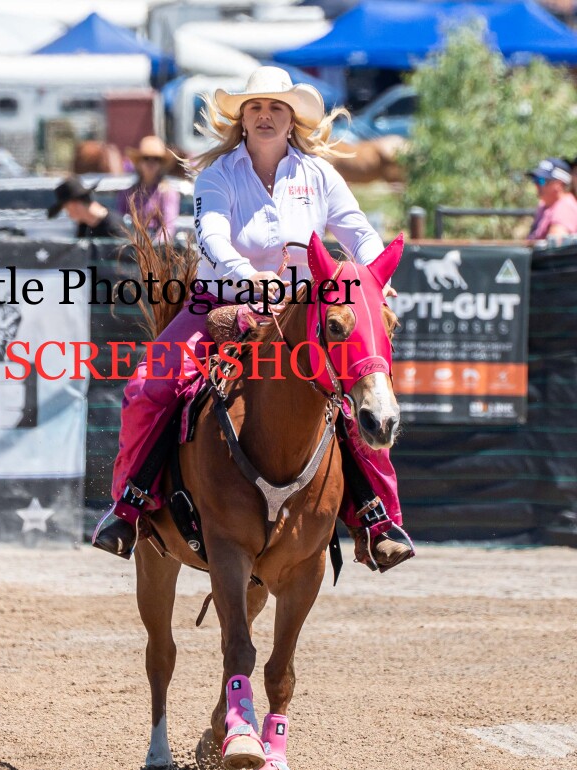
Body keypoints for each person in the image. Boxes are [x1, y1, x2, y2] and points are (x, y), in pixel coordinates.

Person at [92, 66, 414, 572]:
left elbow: (360, 232)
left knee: (361, 392)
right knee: (149, 386)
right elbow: (212, 236)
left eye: (276, 107)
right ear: (241, 118)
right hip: (219, 305)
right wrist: (248, 278)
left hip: (302, 313)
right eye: (255, 107)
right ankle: (128, 506)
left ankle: (378, 521)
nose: (265, 115)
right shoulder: (217, 174)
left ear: (292, 119)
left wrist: (375, 278)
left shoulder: (319, 175)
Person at [117, 135, 180, 240]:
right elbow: (120, 222)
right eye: (146, 158)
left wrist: (154, 245)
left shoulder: (167, 193)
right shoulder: (128, 192)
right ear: (139, 163)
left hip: (157, 244)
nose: (151, 163)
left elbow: (168, 226)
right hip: (132, 242)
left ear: (161, 164)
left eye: (156, 159)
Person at [48, 176, 128, 239]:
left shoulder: (113, 226)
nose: (69, 215)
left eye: (67, 209)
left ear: (75, 205)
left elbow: (124, 254)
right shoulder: (84, 226)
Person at [526, 157, 577, 240]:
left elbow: (557, 245)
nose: (536, 185)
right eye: (535, 180)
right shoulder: (545, 206)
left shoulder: (564, 208)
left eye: (541, 181)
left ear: (559, 184)